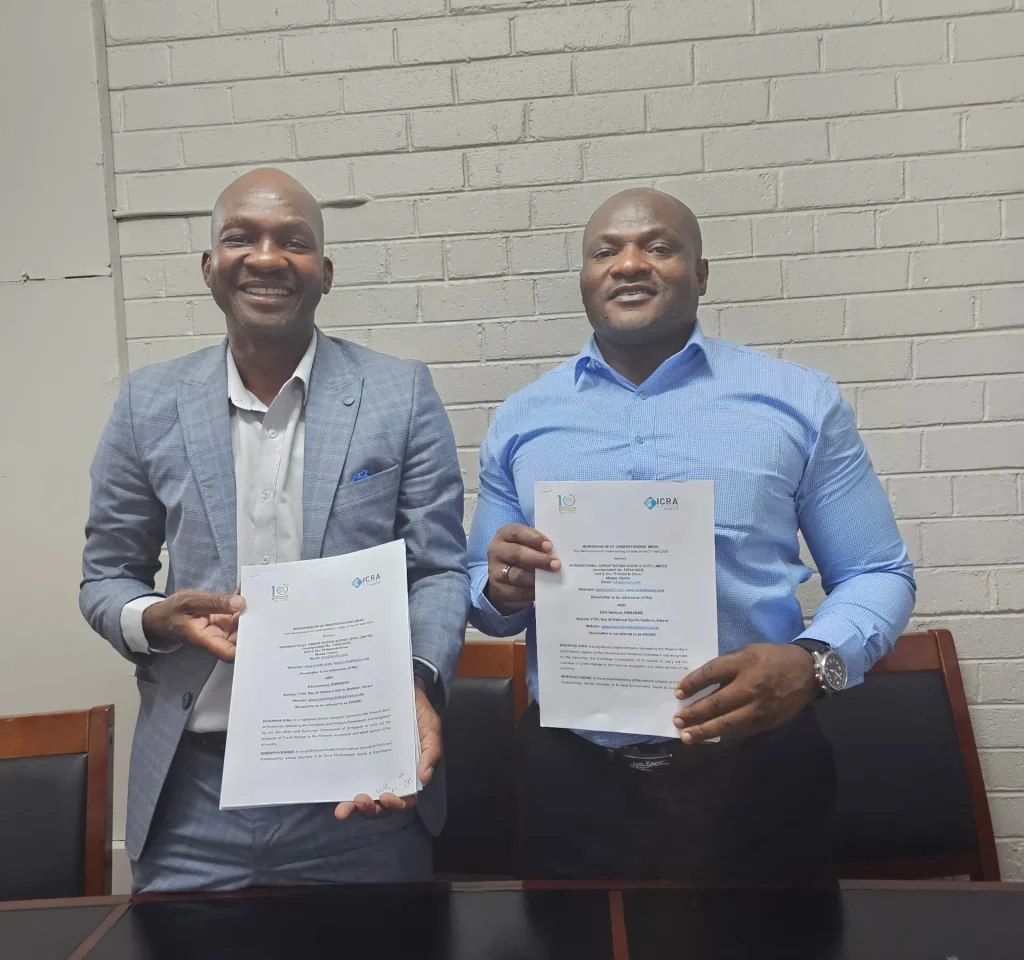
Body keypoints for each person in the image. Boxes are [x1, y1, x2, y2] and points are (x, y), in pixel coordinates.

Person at [467, 188, 915, 885]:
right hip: (574, 776)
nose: (628, 263)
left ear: (701, 274)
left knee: (779, 938)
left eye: (659, 246)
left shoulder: (797, 401)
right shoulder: (522, 420)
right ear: (584, 278)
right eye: (605, 251)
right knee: (570, 937)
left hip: (755, 767)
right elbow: (488, 598)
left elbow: (878, 570)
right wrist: (500, 585)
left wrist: (812, 664)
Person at [81, 168, 468, 892]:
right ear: (209, 267)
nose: (266, 257)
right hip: (193, 801)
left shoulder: (400, 393)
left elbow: (439, 569)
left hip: (361, 790)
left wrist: (415, 679)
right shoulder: (147, 404)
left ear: (325, 272)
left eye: (293, 241)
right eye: (242, 238)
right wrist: (155, 617)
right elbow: (106, 575)